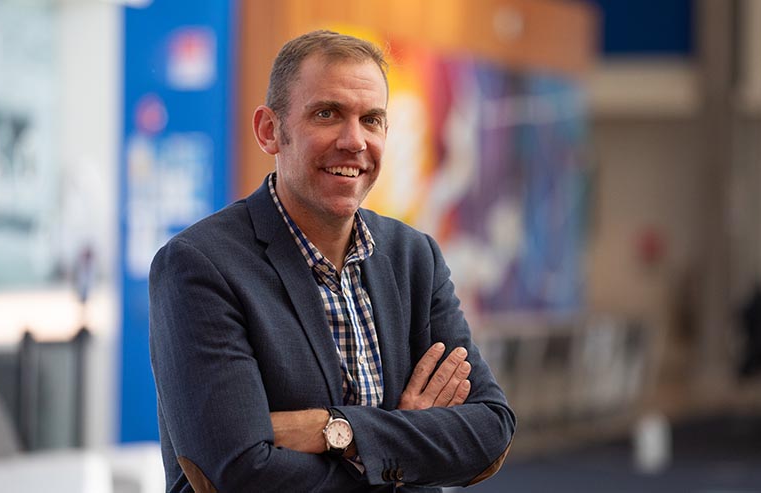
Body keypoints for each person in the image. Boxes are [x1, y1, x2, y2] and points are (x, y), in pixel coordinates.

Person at [149, 30, 515, 492]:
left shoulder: (413, 258)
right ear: (269, 130)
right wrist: (402, 444)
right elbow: (237, 473)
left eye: (372, 120)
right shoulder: (199, 266)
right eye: (328, 114)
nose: (354, 141)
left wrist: (329, 429)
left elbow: (489, 433)